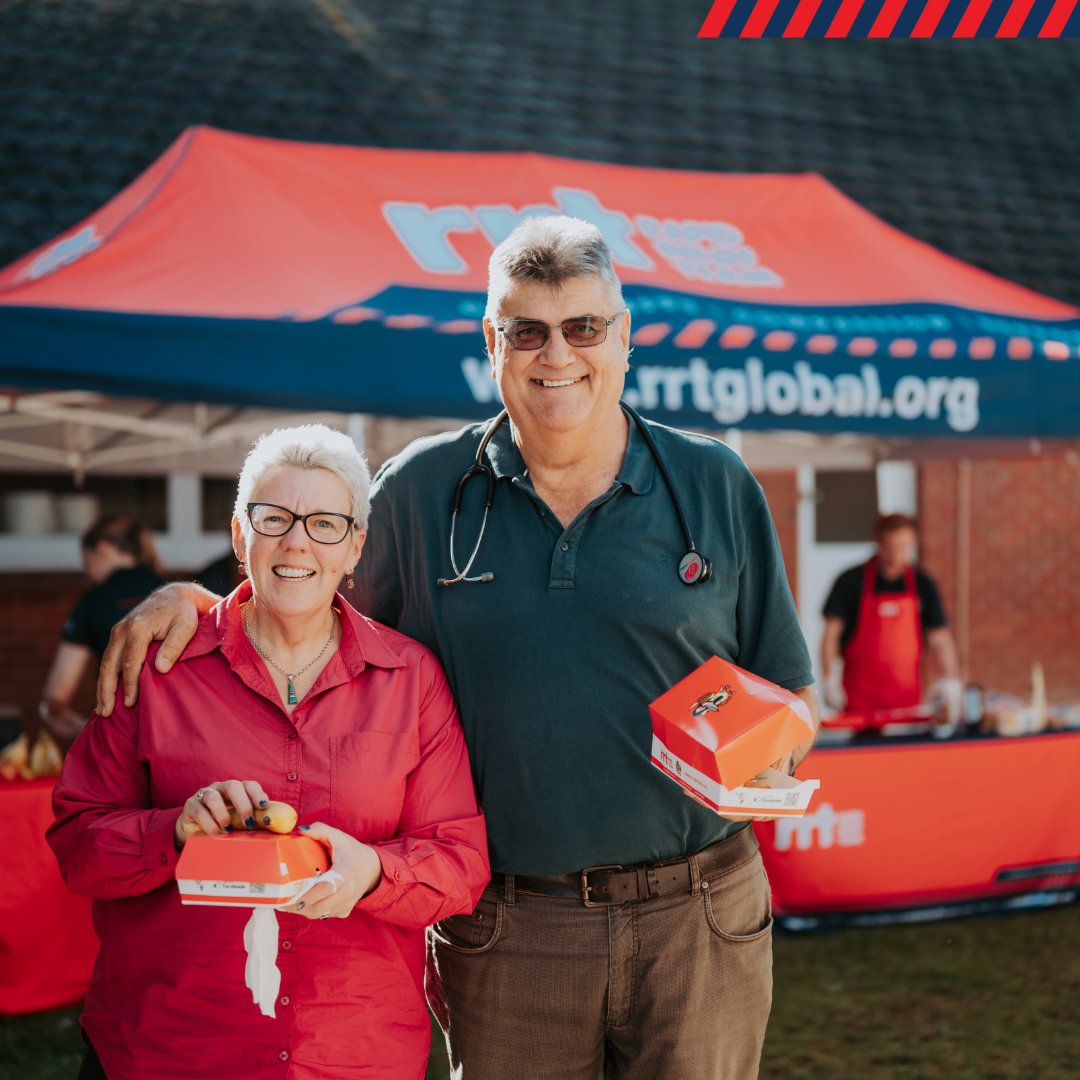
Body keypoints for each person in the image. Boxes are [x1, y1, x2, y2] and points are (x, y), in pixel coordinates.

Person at [97, 218, 818, 1080]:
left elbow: (788, 693)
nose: (558, 354)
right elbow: (307, 600)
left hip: (699, 912)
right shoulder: (419, 492)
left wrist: (779, 756)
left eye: (584, 327)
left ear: (624, 337)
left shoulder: (713, 482)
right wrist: (202, 599)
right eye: (527, 330)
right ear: (492, 343)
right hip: (510, 928)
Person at [49, 424, 488, 1080]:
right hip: (170, 1048)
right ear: (238, 534)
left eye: (325, 524)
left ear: (355, 546)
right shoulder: (158, 668)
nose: (296, 542)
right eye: (274, 517)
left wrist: (370, 871)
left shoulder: (410, 679)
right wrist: (176, 831)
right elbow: (76, 844)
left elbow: (459, 862)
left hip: (351, 1053)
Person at [39, 514, 166, 741]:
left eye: (86, 562)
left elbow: (58, 694)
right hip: (177, 729)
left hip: (122, 735)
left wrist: (68, 721)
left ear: (103, 548)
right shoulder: (173, 590)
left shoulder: (93, 601)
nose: (87, 574)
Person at [820, 512, 959, 716]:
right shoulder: (850, 582)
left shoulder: (924, 584)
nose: (897, 554)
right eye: (892, 546)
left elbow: (939, 638)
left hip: (907, 704)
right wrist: (829, 680)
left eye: (904, 547)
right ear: (879, 542)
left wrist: (949, 680)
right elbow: (831, 635)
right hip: (859, 704)